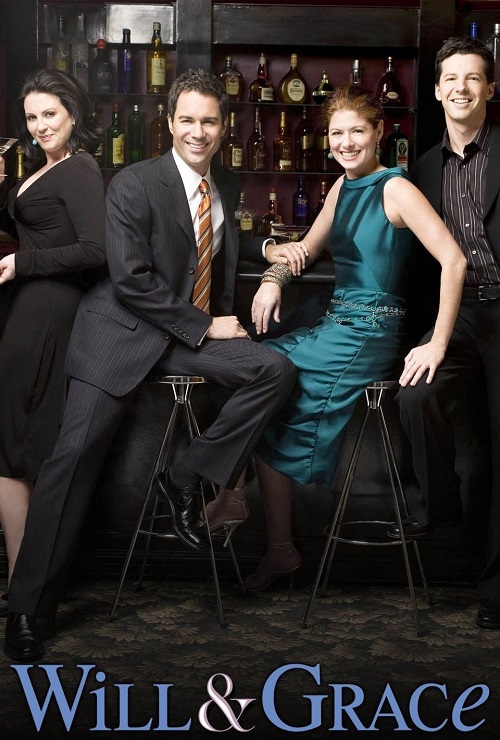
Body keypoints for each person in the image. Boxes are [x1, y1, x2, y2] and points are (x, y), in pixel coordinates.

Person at [2, 69, 296, 661]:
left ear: (224, 127)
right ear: (168, 123)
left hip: (180, 337)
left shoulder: (225, 184)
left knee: (275, 371)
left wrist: (272, 257)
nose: (198, 132)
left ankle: (185, 476)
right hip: (119, 333)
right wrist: (205, 326)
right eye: (187, 120)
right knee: (70, 462)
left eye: (209, 121)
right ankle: (28, 610)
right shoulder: (134, 182)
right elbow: (131, 279)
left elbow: (219, 247)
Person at [206, 83, 466, 592]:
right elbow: (303, 249)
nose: (346, 143)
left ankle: (233, 495)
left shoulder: (395, 188)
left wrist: (436, 342)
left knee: (262, 381)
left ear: (378, 132)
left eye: (356, 132)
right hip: (334, 325)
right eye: (336, 134)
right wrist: (272, 278)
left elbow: (454, 260)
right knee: (255, 377)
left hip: (369, 333)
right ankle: (278, 546)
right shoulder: (341, 189)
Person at [392, 37, 500, 630]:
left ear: (490, 88)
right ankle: (440, 514)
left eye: (473, 77)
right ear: (435, 91)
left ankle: (495, 591)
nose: (461, 87)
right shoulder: (422, 169)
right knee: (416, 396)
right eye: (450, 78)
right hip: (451, 318)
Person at [0, 70, 106, 618]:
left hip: (50, 311)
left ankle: (32, 586)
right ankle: (22, 583)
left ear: (73, 113)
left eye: (50, 114)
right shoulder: (41, 169)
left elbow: (96, 249)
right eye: (32, 117)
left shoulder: (80, 168)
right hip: (26, 312)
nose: (40, 126)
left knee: (30, 447)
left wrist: (24, 262)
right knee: (10, 448)